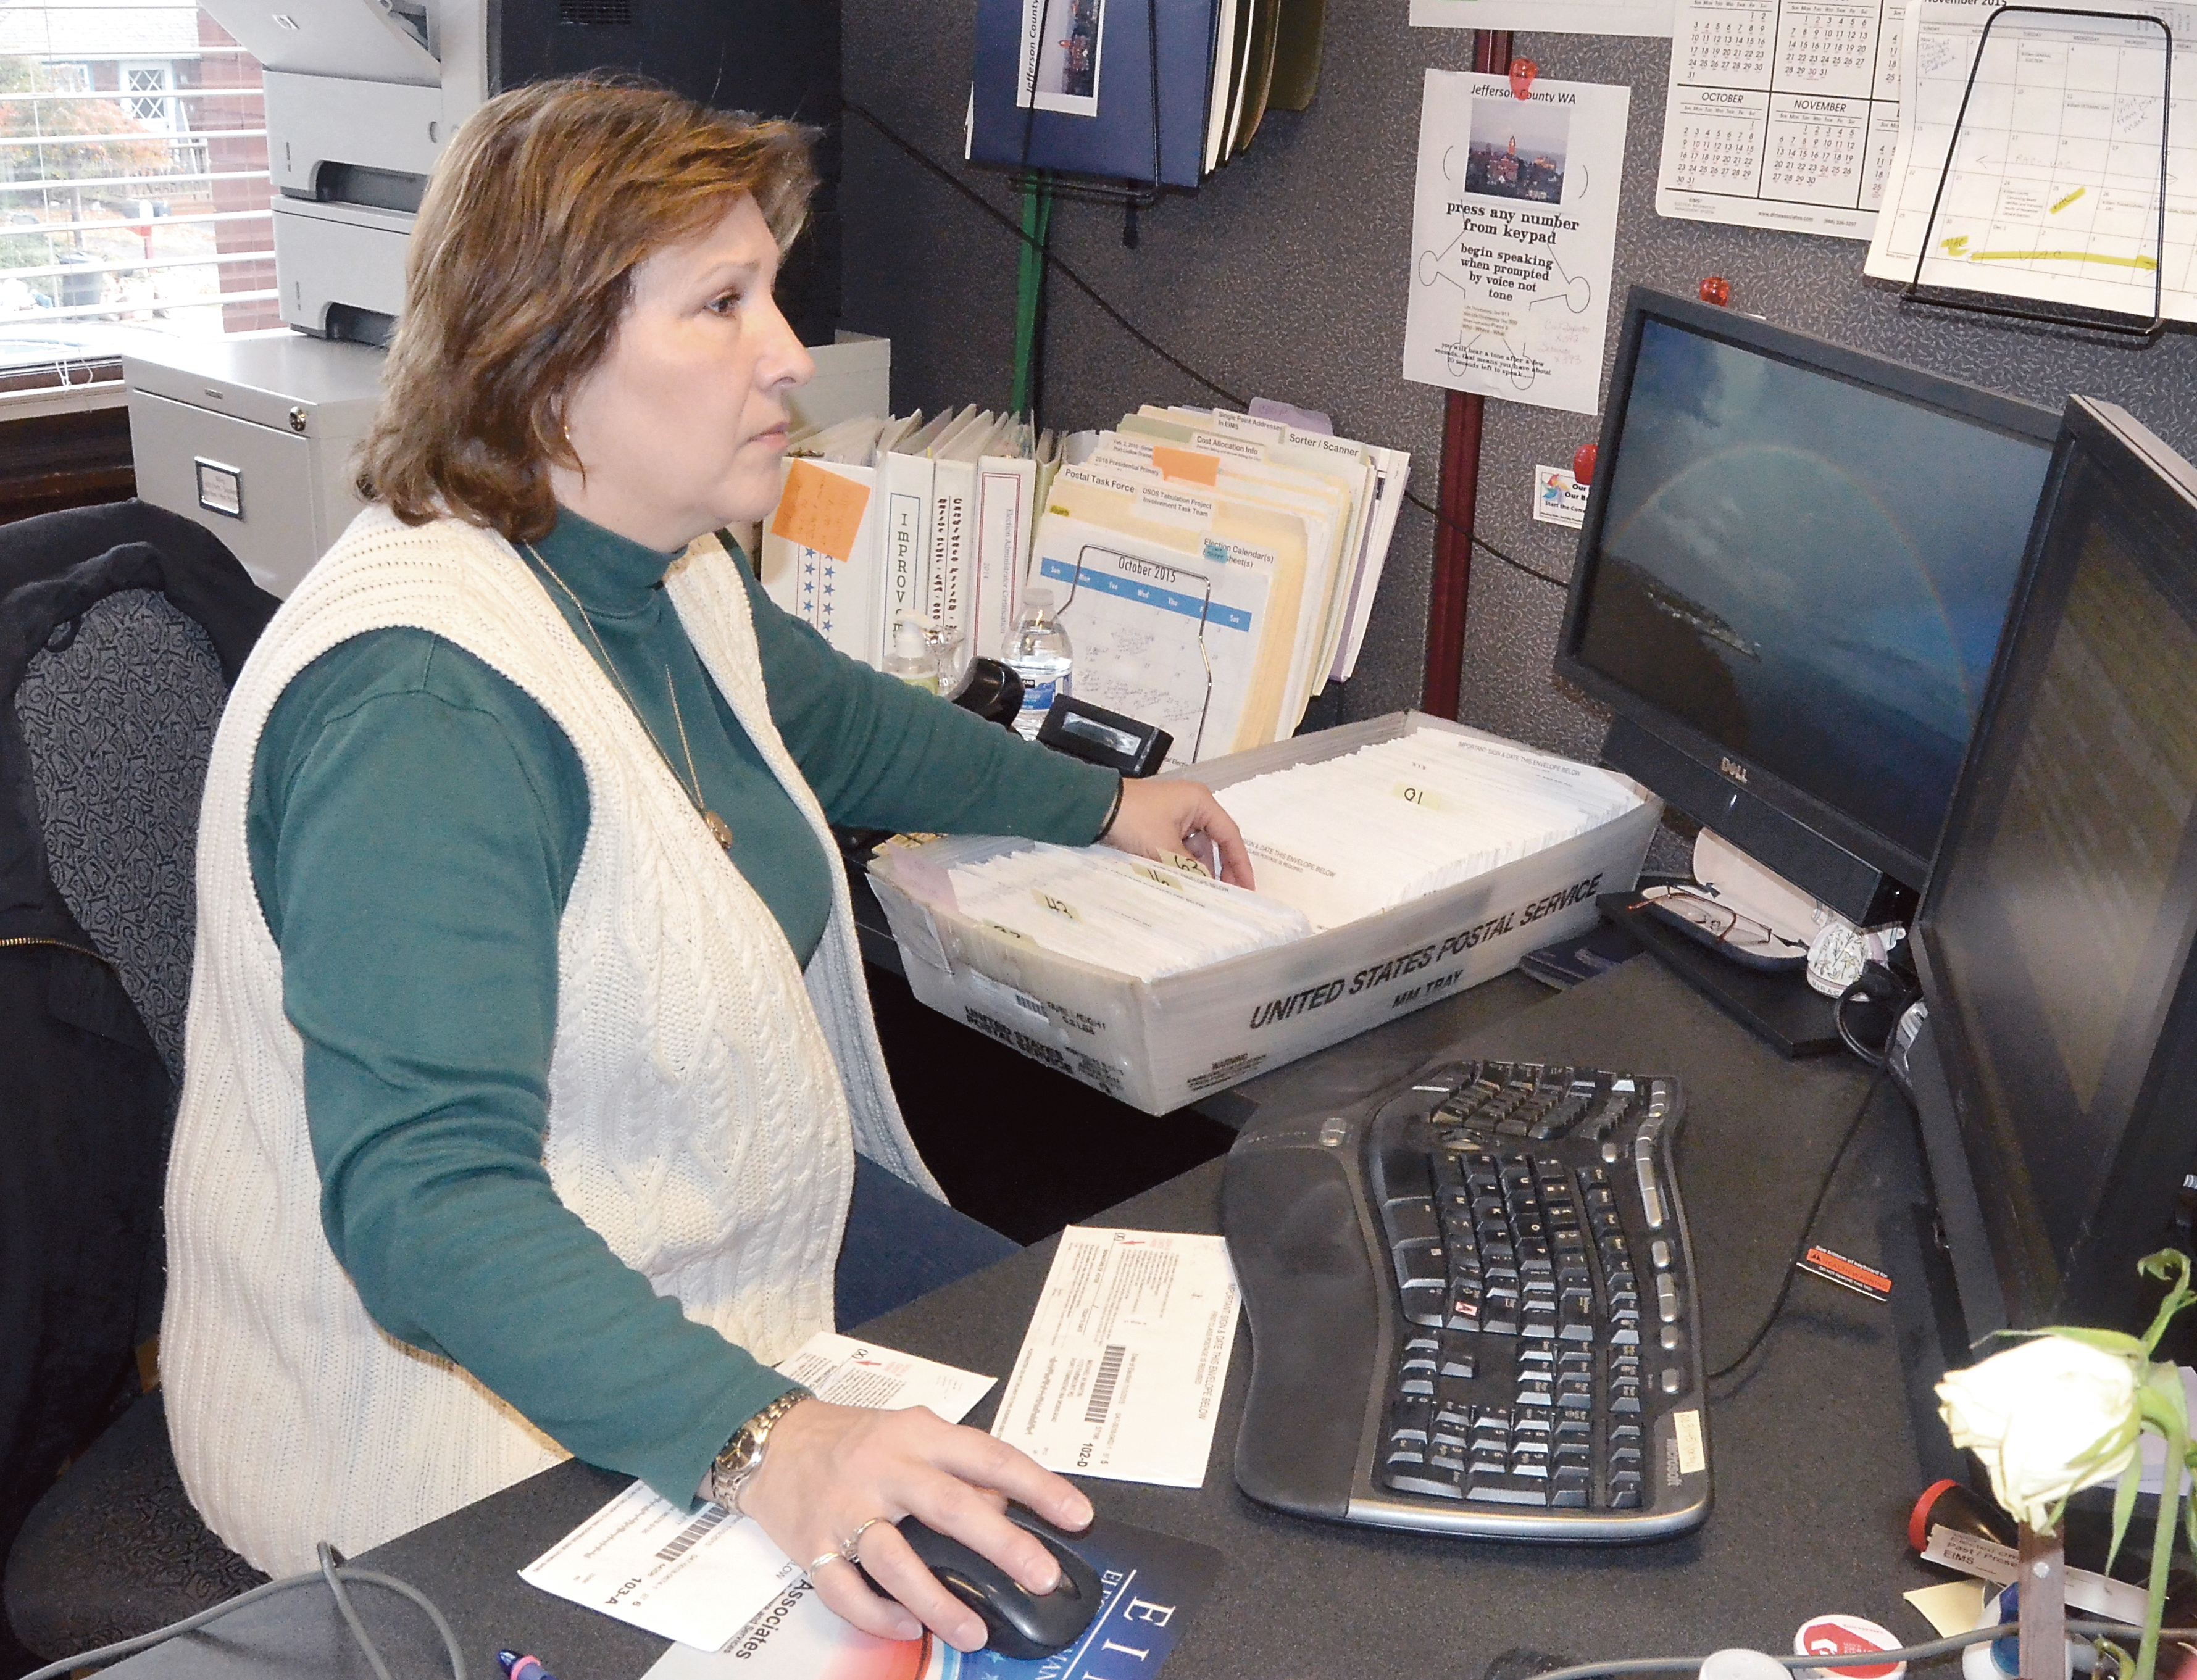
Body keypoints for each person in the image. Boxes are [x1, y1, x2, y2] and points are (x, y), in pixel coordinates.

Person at [161, 75, 1251, 1653]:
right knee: (1010, 1553)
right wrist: (770, 1439)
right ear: (546, 367)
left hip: (703, 1243)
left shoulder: (661, 570)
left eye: (774, 292)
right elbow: (425, 1205)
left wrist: (1101, 807)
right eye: (721, 303)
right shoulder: (423, 708)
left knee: (1135, 1447)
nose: (789, 353)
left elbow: (843, 726)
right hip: (440, 1412)